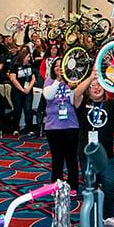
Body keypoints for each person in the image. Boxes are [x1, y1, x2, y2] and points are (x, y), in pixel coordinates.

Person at [73, 69, 114, 227]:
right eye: (92, 86)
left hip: (106, 155)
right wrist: (91, 76)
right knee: (90, 186)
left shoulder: (110, 104)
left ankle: (106, 216)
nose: (96, 87)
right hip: (86, 154)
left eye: (99, 85)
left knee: (109, 185)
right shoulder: (82, 103)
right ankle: (91, 215)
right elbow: (76, 93)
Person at [42, 57, 80, 196]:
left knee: (71, 157)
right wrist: (58, 81)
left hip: (70, 124)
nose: (59, 68)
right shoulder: (49, 81)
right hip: (53, 126)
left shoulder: (72, 82)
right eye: (57, 66)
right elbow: (48, 96)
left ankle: (73, 185)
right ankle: (55, 185)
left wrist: (71, 88)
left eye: (62, 66)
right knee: (57, 158)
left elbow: (73, 101)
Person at [8, 49, 36, 136]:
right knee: (18, 110)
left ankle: (29, 129)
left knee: (28, 110)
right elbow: (13, 79)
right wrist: (22, 89)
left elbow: (33, 78)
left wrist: (28, 88)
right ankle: (16, 128)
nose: (29, 59)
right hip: (17, 91)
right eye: (27, 57)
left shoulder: (30, 66)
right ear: (23, 57)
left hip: (28, 91)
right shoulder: (15, 67)